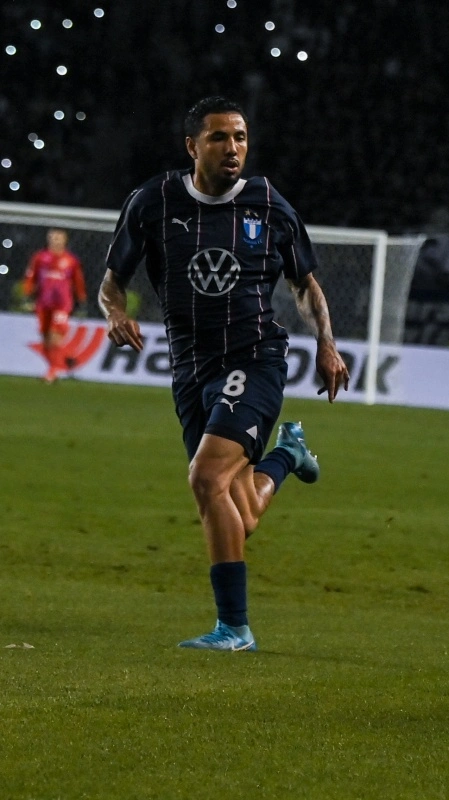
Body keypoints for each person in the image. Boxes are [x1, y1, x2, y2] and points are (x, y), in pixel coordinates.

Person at [99, 96, 350, 652]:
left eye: (239, 137)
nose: (232, 148)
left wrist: (327, 345)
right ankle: (289, 455)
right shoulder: (153, 201)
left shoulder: (268, 205)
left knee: (205, 479)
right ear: (192, 146)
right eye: (218, 138)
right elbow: (112, 280)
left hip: (254, 359)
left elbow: (304, 286)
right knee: (241, 512)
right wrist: (116, 313)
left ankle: (234, 628)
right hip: (190, 369)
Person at [22, 228, 87, 382]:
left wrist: (81, 299)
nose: (55, 241)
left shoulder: (71, 261)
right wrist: (27, 293)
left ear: (64, 241)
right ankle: (66, 358)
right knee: (45, 340)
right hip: (43, 303)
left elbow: (78, 282)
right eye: (52, 238)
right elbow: (31, 277)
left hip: (62, 304)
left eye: (58, 238)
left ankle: (51, 373)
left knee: (54, 336)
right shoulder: (40, 257)